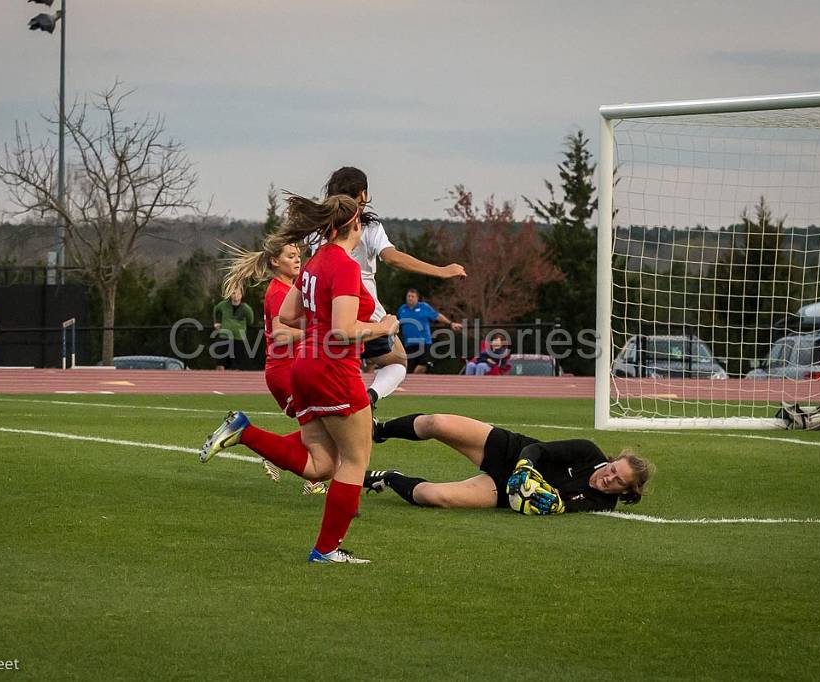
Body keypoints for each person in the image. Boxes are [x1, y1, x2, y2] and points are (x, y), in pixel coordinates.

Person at [202, 193, 399, 564]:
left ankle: (245, 431)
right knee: (355, 461)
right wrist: (382, 327)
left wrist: (322, 325)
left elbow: (290, 315)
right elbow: (341, 331)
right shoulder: (343, 264)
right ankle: (326, 550)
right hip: (333, 368)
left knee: (320, 465)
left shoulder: (313, 263)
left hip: (303, 367)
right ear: (355, 224)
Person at [309, 167, 467, 406]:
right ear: (363, 194)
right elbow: (392, 257)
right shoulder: (365, 227)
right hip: (363, 312)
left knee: (331, 367)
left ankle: (344, 403)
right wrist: (441, 271)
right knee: (397, 362)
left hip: (322, 313)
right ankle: (366, 400)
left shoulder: (315, 230)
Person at [206, 237, 327, 494]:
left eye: (298, 255)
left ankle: (281, 459)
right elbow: (282, 336)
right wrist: (317, 328)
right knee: (329, 425)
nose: (297, 260)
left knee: (323, 426)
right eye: (290, 256)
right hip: (286, 372)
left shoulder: (287, 289)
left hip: (289, 370)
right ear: (275, 261)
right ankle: (246, 433)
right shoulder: (279, 292)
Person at [363, 412, 652, 514]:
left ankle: (388, 477)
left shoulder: (602, 503)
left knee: (433, 496)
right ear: (611, 462)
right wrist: (525, 467)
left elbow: (559, 505)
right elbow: (537, 449)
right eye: (613, 470)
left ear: (626, 492)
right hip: (512, 451)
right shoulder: (589, 452)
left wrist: (538, 499)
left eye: (618, 482)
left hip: (506, 491)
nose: (609, 478)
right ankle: (381, 430)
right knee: (436, 423)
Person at [397, 288, 462, 374]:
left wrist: (451, 324)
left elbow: (437, 316)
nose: (410, 298)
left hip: (424, 343)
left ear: (417, 298)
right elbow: (397, 322)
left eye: (412, 296)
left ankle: (415, 379)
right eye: (408, 296)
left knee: (424, 365)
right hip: (409, 344)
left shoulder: (424, 307)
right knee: (408, 368)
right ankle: (413, 383)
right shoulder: (402, 309)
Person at [212, 287, 254, 370]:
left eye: (238, 294)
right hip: (224, 336)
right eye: (234, 293)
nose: (236, 296)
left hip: (238, 338)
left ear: (242, 295)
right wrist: (217, 322)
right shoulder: (223, 305)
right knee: (220, 363)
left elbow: (251, 320)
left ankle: (233, 382)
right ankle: (219, 381)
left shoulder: (246, 308)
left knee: (236, 366)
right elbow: (216, 310)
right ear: (230, 295)